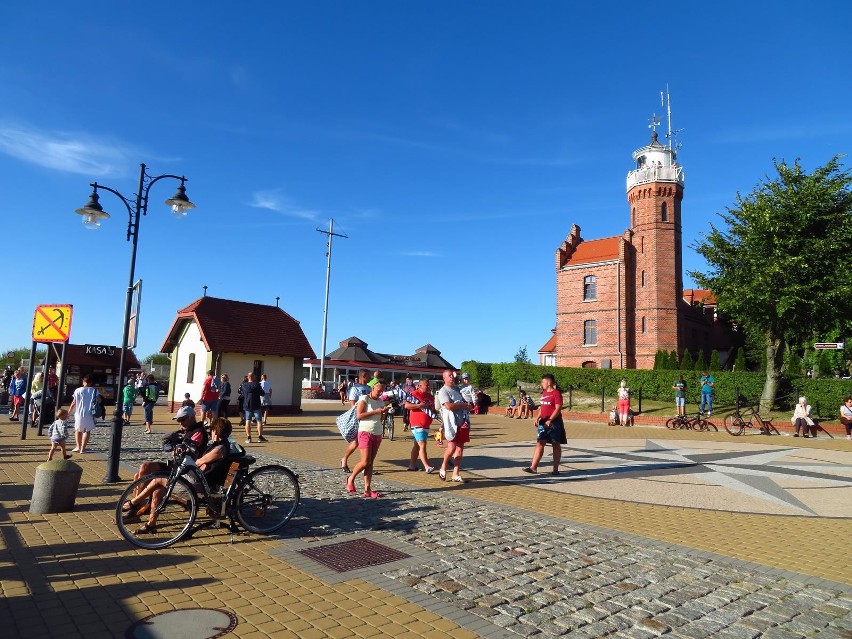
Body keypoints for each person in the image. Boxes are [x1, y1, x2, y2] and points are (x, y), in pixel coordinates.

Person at [122, 416, 230, 535]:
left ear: (215, 430)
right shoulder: (217, 445)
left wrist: (199, 462)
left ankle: (133, 503)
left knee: (158, 480)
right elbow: (200, 463)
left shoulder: (220, 449)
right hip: (194, 480)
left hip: (197, 485)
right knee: (158, 490)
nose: (210, 431)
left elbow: (198, 462)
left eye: (212, 429)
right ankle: (151, 524)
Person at [346, 381, 389, 498]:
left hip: (377, 432)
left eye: (381, 391)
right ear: (372, 388)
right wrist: (375, 411)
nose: (380, 393)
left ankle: (367, 489)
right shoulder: (364, 399)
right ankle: (351, 478)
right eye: (378, 391)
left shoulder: (380, 401)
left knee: (370, 463)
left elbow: (380, 418)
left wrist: (383, 412)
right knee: (365, 461)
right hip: (365, 432)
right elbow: (359, 415)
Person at [522, 373, 566, 475]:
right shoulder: (544, 393)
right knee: (540, 443)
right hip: (543, 422)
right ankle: (533, 467)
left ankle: (555, 469)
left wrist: (550, 420)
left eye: (543, 382)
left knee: (555, 444)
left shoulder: (556, 393)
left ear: (549, 382)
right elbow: (542, 407)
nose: (542, 384)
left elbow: (558, 408)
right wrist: (537, 418)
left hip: (554, 422)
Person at [437, 369, 471, 483]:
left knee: (460, 449)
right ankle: (443, 467)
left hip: (462, 422)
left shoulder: (457, 389)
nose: (452, 377)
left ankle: (456, 474)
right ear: (444, 378)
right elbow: (448, 406)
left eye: (452, 375)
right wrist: (461, 405)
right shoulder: (443, 391)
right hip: (450, 424)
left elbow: (466, 401)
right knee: (451, 447)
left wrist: (468, 406)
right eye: (449, 376)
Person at [341, 369, 371, 472]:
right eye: (369, 376)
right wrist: (357, 417)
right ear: (364, 376)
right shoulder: (355, 389)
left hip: (368, 417)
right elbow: (352, 405)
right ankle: (345, 459)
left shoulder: (369, 388)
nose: (370, 377)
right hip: (359, 418)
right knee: (357, 442)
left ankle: (364, 465)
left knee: (366, 443)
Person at [406, 379, 436, 473]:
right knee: (422, 444)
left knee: (417, 445)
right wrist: (419, 405)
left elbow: (432, 408)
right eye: (426, 385)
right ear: (419, 386)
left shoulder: (430, 396)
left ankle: (412, 465)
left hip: (426, 424)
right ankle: (427, 466)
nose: (428, 387)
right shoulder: (414, 394)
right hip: (417, 423)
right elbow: (407, 405)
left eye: (428, 385)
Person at [67, 374, 98, 453]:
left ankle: (78, 446)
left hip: (79, 412)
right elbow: (99, 400)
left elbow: (74, 403)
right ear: (91, 382)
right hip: (89, 412)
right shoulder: (94, 391)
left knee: (78, 430)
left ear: (83, 381)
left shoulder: (78, 390)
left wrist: (69, 413)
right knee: (87, 431)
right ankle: (83, 449)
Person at [240, 372, 267, 443]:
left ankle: (249, 438)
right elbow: (262, 393)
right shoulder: (257, 385)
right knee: (259, 421)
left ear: (248, 377)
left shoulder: (244, 385)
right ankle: (260, 437)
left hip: (247, 404)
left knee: (248, 421)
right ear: (254, 377)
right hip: (256, 405)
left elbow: (242, 394)